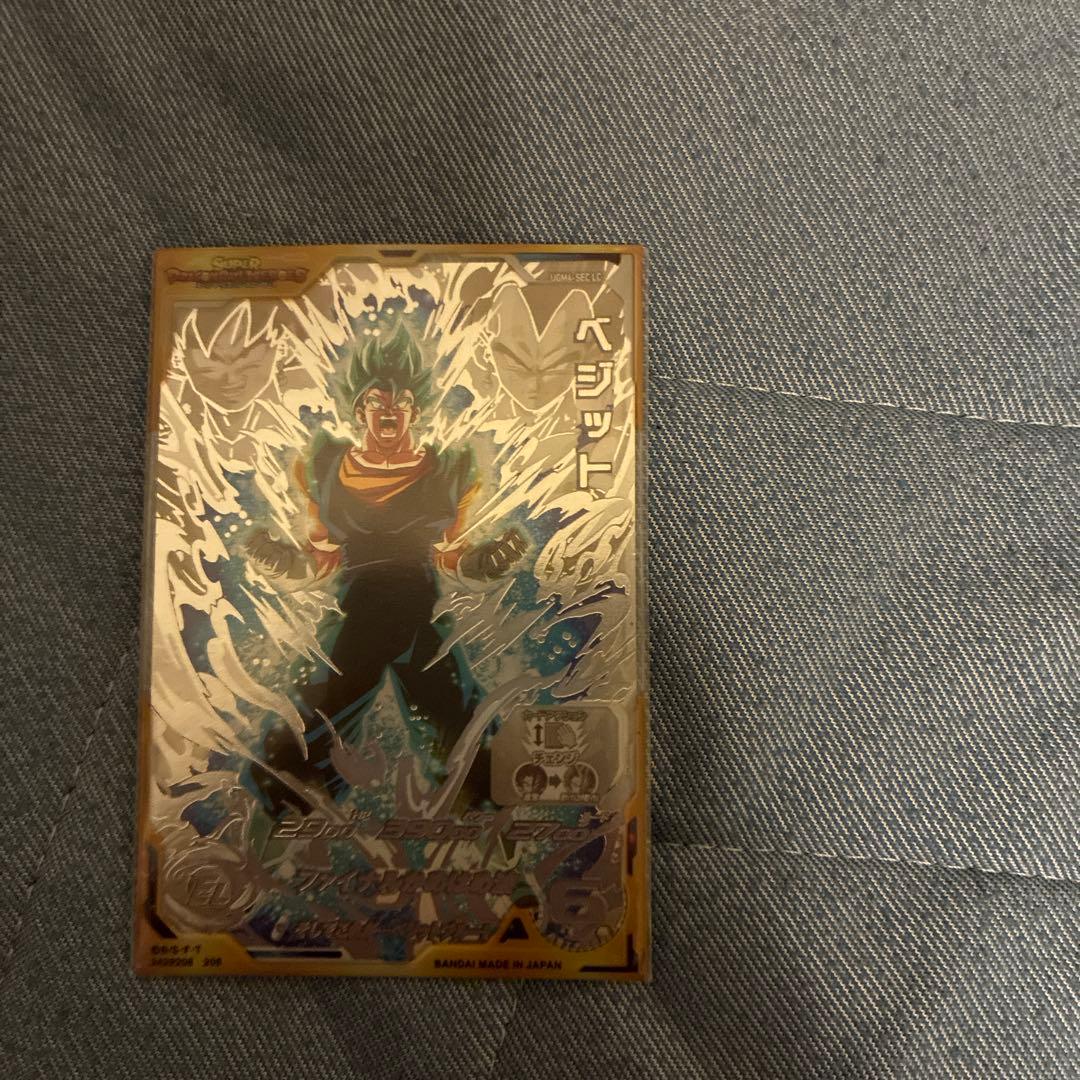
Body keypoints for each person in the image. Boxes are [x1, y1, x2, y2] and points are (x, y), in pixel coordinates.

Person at [245, 324, 526, 817]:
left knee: (460, 725)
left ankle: (491, 824)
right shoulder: (325, 466)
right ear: (360, 411)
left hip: (420, 616)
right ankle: (279, 818)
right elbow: (321, 556)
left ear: (416, 411)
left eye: (401, 401)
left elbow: (451, 553)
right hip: (353, 618)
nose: (389, 409)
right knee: (313, 720)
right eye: (376, 400)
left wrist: (487, 561)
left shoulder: (449, 470)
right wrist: (281, 560)